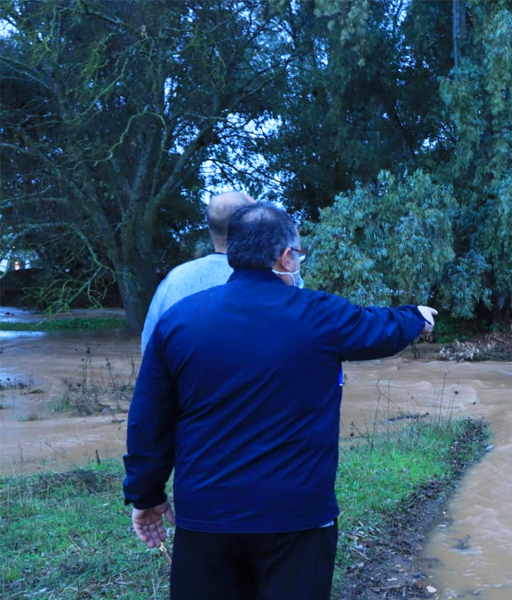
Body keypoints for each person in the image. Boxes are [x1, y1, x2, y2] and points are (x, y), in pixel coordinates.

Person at [123, 203, 437, 599]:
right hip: (296, 517)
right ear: (286, 257)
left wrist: (146, 495)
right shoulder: (320, 315)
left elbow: (148, 420)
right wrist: (416, 316)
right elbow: (380, 327)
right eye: (298, 255)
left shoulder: (180, 319)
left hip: (206, 515)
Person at [139, 191, 256, 353]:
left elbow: (149, 348)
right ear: (254, 226)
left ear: (210, 225)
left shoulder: (175, 278)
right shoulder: (270, 279)